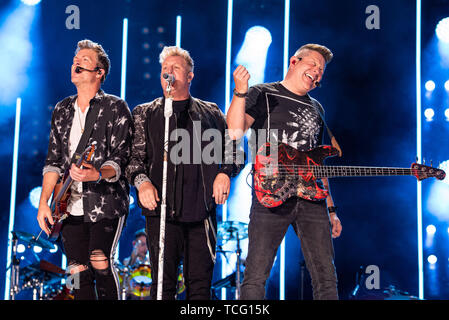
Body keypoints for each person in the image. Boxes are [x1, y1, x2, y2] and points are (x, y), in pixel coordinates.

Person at [226, 43, 343, 300]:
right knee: (256, 273)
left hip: (312, 200)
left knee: (326, 275)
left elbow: (317, 162)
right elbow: (234, 132)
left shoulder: (317, 109)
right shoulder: (263, 93)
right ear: (294, 61)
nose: (317, 72)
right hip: (271, 194)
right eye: (312, 64)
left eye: (321, 70)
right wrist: (240, 93)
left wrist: (332, 209)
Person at [126, 46, 243, 300]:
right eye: (164, 69)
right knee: (163, 288)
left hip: (202, 213)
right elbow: (133, 158)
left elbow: (235, 150)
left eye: (175, 68)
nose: (168, 73)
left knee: (200, 288)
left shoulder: (211, 112)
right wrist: (142, 182)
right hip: (161, 214)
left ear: (189, 76)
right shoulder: (144, 113)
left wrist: (224, 173)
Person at [37, 39, 133, 300]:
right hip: (68, 207)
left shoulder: (115, 107)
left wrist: (97, 174)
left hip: (105, 201)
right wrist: (44, 203)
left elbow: (122, 157)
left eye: (85, 60)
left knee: (99, 260)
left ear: (99, 72)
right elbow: (53, 161)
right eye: (75, 60)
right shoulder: (62, 110)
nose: (76, 62)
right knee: (76, 272)